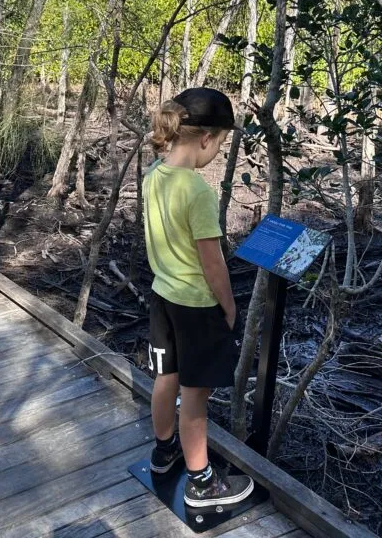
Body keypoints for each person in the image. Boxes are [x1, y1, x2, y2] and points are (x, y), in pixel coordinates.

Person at [143, 87, 255, 508]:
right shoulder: (197, 191)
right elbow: (213, 264)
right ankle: (202, 482)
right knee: (195, 397)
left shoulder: (153, 174)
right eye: (222, 145)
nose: (218, 153)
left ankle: (163, 449)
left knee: (165, 379)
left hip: (162, 297)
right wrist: (228, 307)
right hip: (195, 306)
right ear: (206, 138)